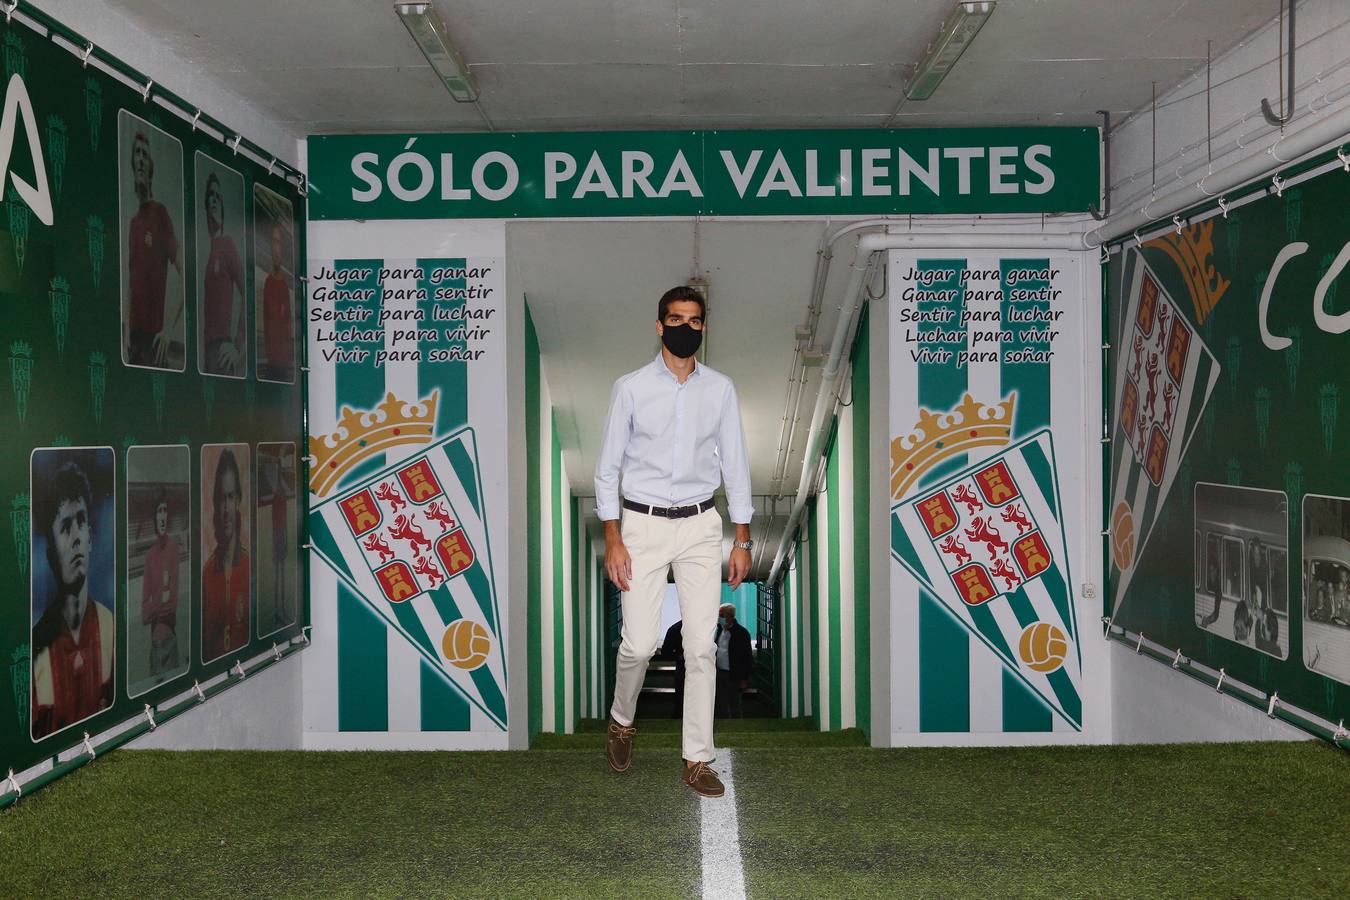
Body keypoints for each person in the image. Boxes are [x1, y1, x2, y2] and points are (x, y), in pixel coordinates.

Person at [596, 285, 753, 798]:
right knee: (639, 644)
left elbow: (735, 462)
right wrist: (613, 538)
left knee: (701, 647)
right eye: (676, 319)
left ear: (704, 327)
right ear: (660, 325)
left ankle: (696, 760)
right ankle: (622, 721)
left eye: (695, 320)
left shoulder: (721, 390)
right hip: (641, 526)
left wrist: (742, 536)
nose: (686, 327)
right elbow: (607, 469)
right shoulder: (631, 388)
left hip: (700, 525)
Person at [31, 460, 114, 738]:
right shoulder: (36, 651)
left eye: (81, 521)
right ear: (51, 551)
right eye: (65, 526)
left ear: (91, 537)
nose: (76, 536)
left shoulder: (109, 627)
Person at [125, 130, 183, 368]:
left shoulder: (160, 213)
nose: (140, 158)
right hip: (134, 345)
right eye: (136, 153)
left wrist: (169, 327)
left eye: (144, 155)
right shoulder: (132, 223)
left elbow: (185, 274)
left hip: (154, 344)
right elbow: (131, 282)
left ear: (150, 168)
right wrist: (125, 331)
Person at [203, 449, 250, 660]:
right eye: (221, 499)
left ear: (238, 500)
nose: (226, 508)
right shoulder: (206, 574)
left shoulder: (250, 567)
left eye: (231, 497)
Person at [200, 172, 245, 376]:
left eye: (218, 196)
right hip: (207, 350)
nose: (215, 200)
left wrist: (238, 345)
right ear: (206, 204)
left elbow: (248, 293)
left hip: (222, 350)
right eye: (211, 195)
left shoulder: (227, 244)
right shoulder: (207, 252)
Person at [140, 487, 181, 677]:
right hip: (154, 646)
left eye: (165, 511)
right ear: (155, 518)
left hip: (170, 641)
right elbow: (144, 614)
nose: (162, 516)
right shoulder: (149, 556)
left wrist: (155, 603)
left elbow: (172, 604)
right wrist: (161, 598)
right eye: (159, 511)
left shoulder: (173, 549)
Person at [260, 222, 294, 382]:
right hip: (273, 363)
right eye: (273, 242)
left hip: (283, 364)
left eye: (279, 243)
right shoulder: (268, 283)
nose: (276, 248)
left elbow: (287, 323)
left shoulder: (285, 286)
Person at [714, 603, 753, 719]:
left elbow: (747, 657)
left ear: (729, 616)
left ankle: (736, 724)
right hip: (720, 672)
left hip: (734, 673)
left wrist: (744, 678)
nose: (719, 617)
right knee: (720, 701)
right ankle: (724, 722)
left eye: (721, 615)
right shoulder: (720, 631)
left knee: (734, 702)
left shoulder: (741, 633)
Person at [267, 456, 291, 630]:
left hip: (281, 536)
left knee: (280, 575)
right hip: (278, 536)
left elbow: (283, 521)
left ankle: (280, 609)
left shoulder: (280, 493)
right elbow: (276, 523)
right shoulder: (278, 494)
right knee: (278, 575)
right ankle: (277, 610)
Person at [660, 620, 685, 719]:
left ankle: (678, 716)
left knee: (680, 696)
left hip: (681, 668)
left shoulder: (674, 628)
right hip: (697, 668)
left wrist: (679, 656)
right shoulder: (701, 627)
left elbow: (666, 652)